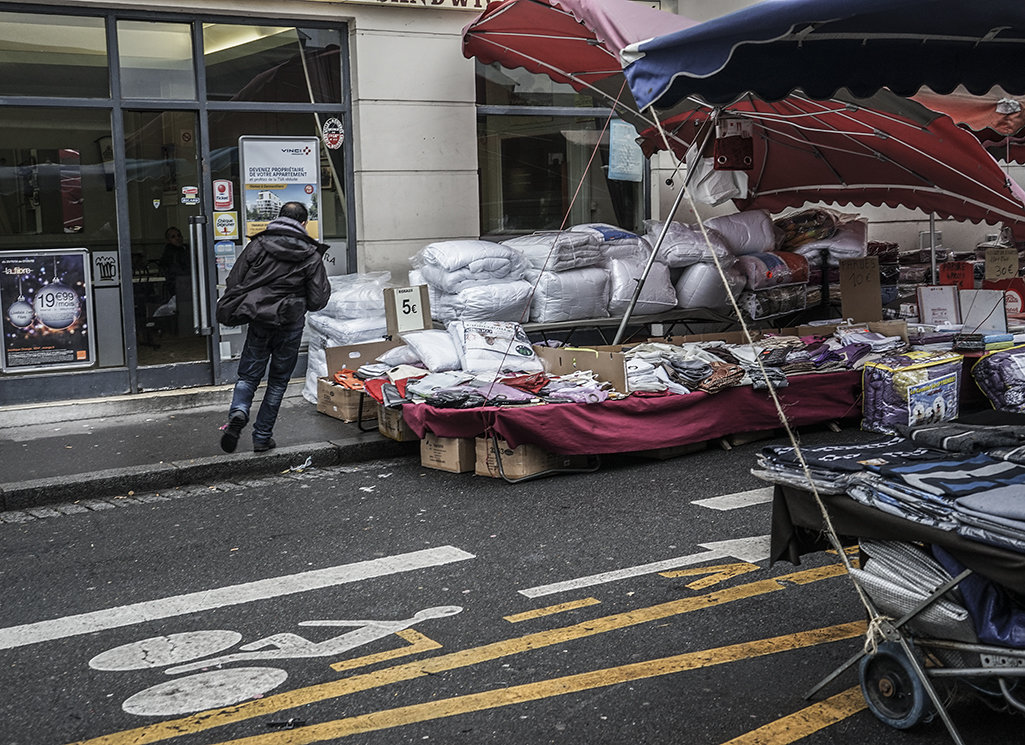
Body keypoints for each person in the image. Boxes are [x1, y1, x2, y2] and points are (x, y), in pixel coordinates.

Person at [215, 201, 330, 453]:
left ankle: (239, 411)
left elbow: (234, 280)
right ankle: (262, 437)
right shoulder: (310, 253)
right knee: (278, 382)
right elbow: (319, 298)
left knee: (248, 375)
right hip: (290, 323)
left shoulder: (257, 245)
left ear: (278, 218)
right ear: (304, 224)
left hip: (260, 319)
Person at [159, 226, 188, 298]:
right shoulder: (169, 254)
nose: (177, 238)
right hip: (179, 287)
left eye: (179, 235)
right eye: (173, 237)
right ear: (168, 240)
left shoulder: (187, 249)